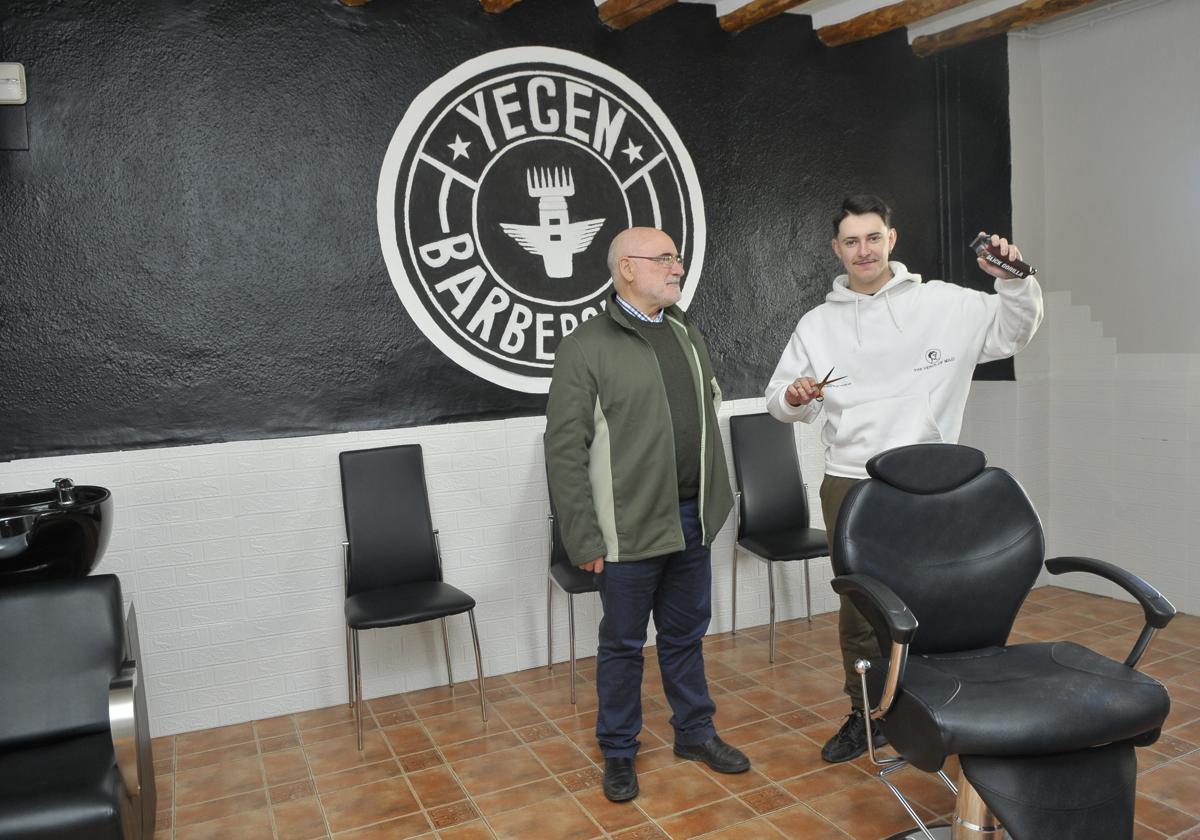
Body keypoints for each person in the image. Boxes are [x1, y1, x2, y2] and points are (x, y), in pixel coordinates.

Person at [765, 195, 1043, 763]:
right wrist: (794, 398)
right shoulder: (817, 324)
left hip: (934, 483)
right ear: (836, 250)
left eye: (872, 238)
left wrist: (1015, 280)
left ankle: (941, 705)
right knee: (862, 610)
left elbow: (1015, 332)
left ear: (892, 239)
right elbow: (779, 400)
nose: (862, 250)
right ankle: (864, 714)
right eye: (850, 241)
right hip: (852, 483)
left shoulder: (945, 304)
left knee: (944, 598)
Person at [545, 226, 750, 803]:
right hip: (626, 531)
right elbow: (564, 451)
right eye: (664, 259)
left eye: (676, 258)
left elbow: (706, 414)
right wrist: (582, 536)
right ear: (626, 269)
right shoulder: (586, 346)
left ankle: (695, 732)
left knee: (685, 635)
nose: (676, 267)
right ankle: (617, 750)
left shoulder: (686, 332)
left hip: (690, 519)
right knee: (623, 644)